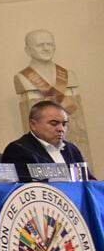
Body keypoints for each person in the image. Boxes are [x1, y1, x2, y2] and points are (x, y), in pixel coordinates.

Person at [13, 29, 89, 157]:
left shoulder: (69, 75)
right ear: (28, 50)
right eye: (40, 45)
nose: (46, 48)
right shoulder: (23, 78)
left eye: (50, 44)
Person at [2, 99, 89, 179]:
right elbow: (24, 188)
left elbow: (87, 180)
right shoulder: (18, 150)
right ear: (33, 125)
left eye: (64, 124)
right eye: (54, 123)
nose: (61, 129)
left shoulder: (71, 149)